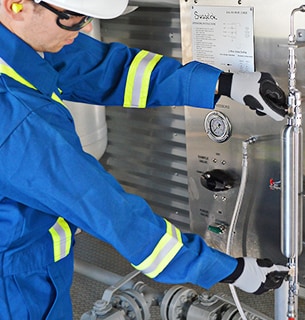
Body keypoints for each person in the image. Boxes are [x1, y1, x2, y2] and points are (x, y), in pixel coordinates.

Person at [0, 0, 289, 318]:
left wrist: (222, 84)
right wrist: (229, 270)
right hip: (14, 288)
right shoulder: (15, 117)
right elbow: (108, 210)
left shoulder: (22, 42)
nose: (84, 29)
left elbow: (104, 69)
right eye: (74, 18)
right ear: (16, 5)